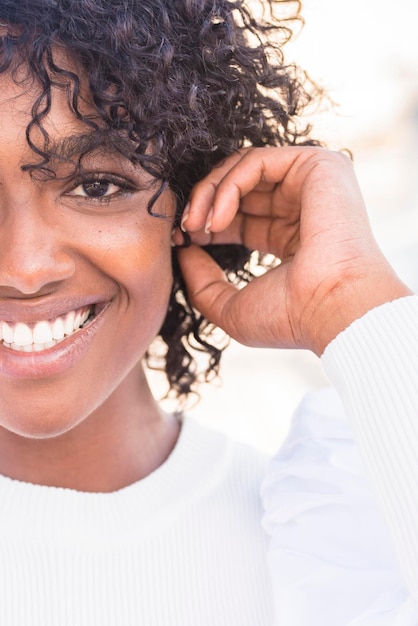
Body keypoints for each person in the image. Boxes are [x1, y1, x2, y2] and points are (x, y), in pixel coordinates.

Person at [0, 1, 416, 625]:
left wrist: (353, 299)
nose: (24, 268)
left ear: (188, 201)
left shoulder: (332, 536)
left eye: (96, 185)